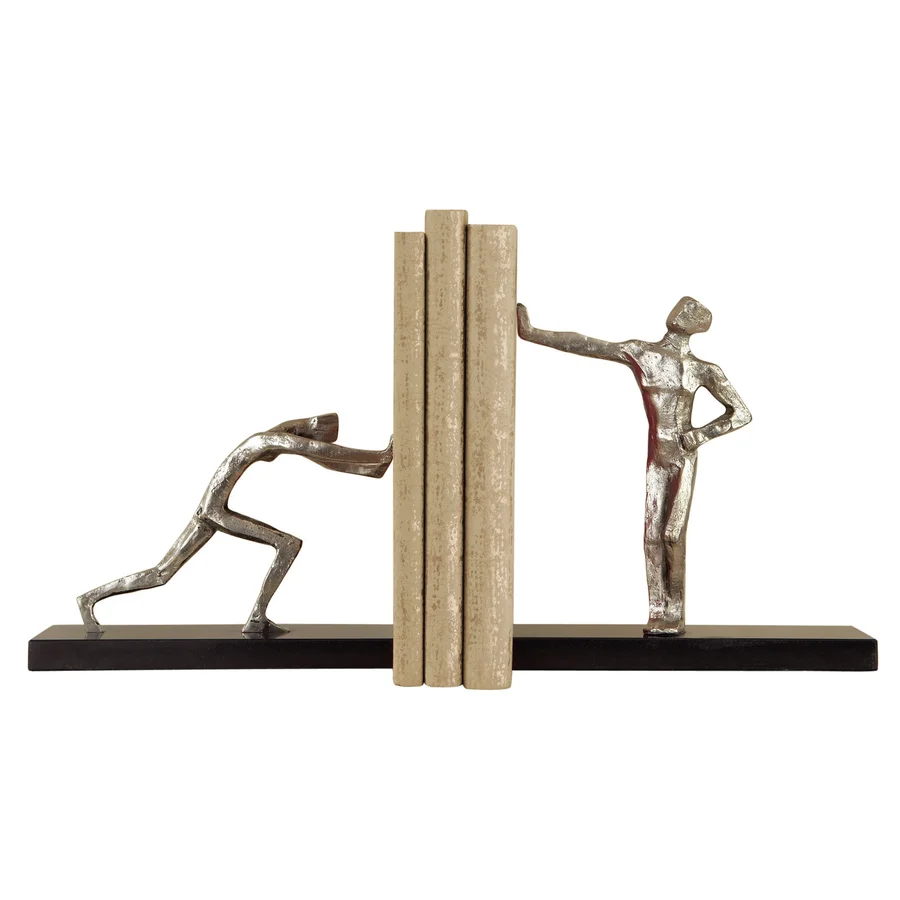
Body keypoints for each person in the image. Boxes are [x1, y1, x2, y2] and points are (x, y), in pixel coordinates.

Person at [517, 297, 751, 635]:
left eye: (691, 310)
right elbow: (587, 344)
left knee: (672, 535)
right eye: (681, 306)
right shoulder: (642, 353)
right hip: (657, 456)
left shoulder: (703, 370)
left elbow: (741, 413)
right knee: (651, 537)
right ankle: (658, 611)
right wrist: (532, 332)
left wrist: (700, 435)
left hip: (682, 456)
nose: (681, 310)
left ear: (699, 324)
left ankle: (675, 612)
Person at [76, 413, 392, 635]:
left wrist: (369, 468)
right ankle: (257, 619)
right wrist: (379, 455)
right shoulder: (268, 439)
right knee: (288, 544)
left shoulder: (265, 439)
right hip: (214, 513)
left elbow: (319, 457)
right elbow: (317, 449)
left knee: (162, 572)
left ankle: (89, 599)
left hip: (206, 512)